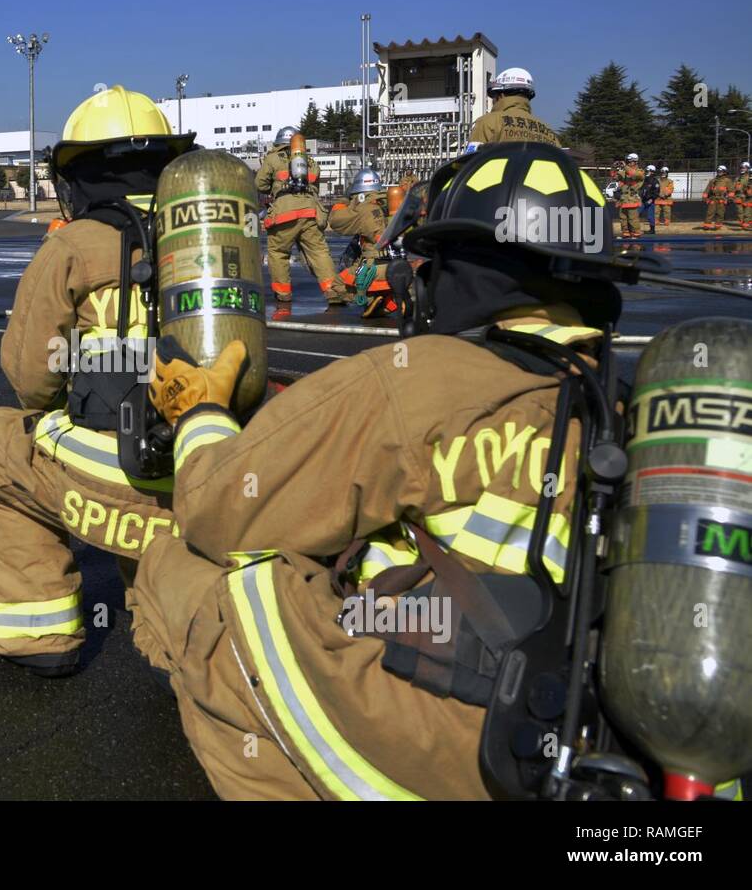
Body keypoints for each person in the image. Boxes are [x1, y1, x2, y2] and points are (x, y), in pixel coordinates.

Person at [130, 142, 629, 799]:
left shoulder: (419, 383)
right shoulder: (624, 405)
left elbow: (219, 508)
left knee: (193, 572)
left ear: (467, 271)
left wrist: (200, 414)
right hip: (577, 739)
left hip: (456, 743)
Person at [0, 85, 196, 677]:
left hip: (123, 464)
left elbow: (31, 377)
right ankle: (184, 645)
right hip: (209, 460)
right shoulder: (210, 238)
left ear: (79, 175)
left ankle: (38, 635)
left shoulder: (72, 245)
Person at [255, 128, 351, 308]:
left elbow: (260, 184)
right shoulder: (310, 162)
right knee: (319, 252)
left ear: (278, 143)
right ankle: (333, 290)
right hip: (310, 211)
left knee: (279, 252)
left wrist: (275, 188)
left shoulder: (273, 158)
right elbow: (315, 182)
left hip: (284, 212)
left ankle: (283, 293)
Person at [329, 169, 397, 317]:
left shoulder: (361, 208)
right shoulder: (390, 204)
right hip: (395, 264)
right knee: (385, 284)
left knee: (337, 285)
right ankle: (389, 302)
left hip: (370, 266)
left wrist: (344, 201)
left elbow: (335, 221)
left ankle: (369, 299)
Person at [465, 68, 561, 150]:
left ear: (501, 95)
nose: (492, 101)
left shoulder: (487, 122)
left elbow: (470, 162)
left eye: (493, 96)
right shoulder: (548, 131)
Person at [616, 153, 644, 240]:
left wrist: (625, 167)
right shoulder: (625, 171)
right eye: (627, 162)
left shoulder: (640, 171)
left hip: (632, 198)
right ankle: (626, 233)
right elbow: (615, 177)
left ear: (635, 162)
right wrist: (614, 168)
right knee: (623, 218)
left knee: (633, 218)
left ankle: (636, 234)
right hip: (623, 198)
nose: (627, 163)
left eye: (629, 161)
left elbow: (634, 175)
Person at [702, 165, 733, 230]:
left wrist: (730, 198)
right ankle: (707, 225)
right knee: (710, 212)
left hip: (721, 199)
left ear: (724, 172)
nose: (719, 172)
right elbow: (707, 190)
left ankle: (718, 226)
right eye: (718, 171)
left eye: (721, 171)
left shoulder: (727, 181)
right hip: (713, 199)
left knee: (720, 213)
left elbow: (731, 191)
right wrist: (704, 197)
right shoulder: (712, 181)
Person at [640, 164, 660, 235]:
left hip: (650, 201)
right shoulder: (644, 180)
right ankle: (634, 229)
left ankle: (652, 230)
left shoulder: (655, 181)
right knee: (636, 213)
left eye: (648, 171)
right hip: (642, 200)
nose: (646, 172)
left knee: (650, 216)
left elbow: (656, 192)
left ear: (652, 172)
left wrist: (651, 199)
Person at [735, 161, 752, 229]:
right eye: (741, 168)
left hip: (748, 197)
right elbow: (734, 187)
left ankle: (747, 223)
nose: (742, 169)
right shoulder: (738, 178)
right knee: (740, 211)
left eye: (744, 168)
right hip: (739, 196)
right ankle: (743, 224)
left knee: (747, 211)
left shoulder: (750, 177)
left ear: (747, 169)